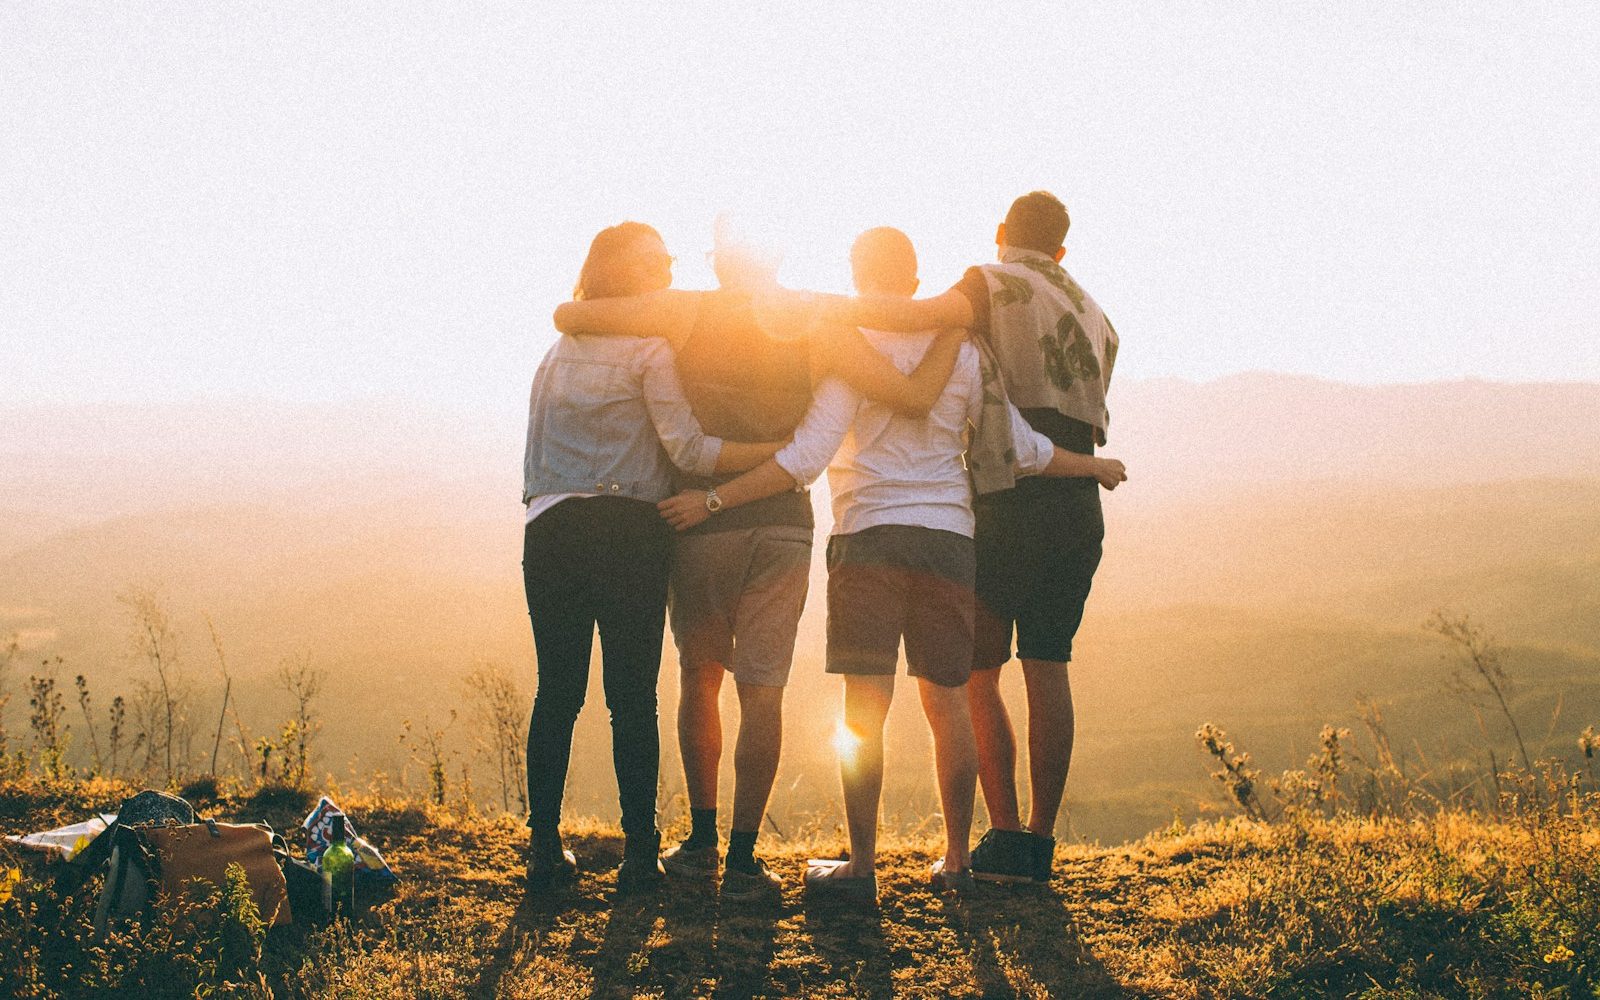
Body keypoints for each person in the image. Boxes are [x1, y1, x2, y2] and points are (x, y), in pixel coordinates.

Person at [658, 227, 1126, 903]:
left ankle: (862, 867)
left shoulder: (848, 348)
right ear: (915, 281)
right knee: (948, 705)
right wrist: (1094, 466)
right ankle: (959, 861)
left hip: (867, 536)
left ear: (856, 274)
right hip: (948, 541)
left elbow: (806, 457)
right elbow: (1021, 448)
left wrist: (715, 498)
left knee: (864, 712)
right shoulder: (964, 350)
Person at [552, 218, 964, 902]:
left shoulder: (686, 310)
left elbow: (576, 313)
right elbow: (902, 391)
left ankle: (701, 841)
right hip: (782, 525)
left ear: (719, 263)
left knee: (700, 676)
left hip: (699, 520)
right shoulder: (815, 320)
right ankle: (744, 859)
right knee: (763, 689)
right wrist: (953, 323)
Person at [818, 192, 1121, 884]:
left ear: (1001, 233)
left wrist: (817, 309)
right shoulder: (1097, 313)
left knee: (973, 677)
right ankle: (1038, 844)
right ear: (1063, 250)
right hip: (1075, 500)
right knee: (1050, 665)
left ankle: (1003, 837)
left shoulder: (989, 283)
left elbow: (919, 318)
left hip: (1007, 496)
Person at [521, 222, 787, 893]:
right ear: (626, 274)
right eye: (656, 262)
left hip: (550, 528)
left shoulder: (555, 353)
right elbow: (690, 452)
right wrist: (776, 455)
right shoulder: (649, 350)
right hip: (628, 533)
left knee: (557, 691)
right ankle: (641, 854)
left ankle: (544, 850)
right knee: (630, 698)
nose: (668, 270)